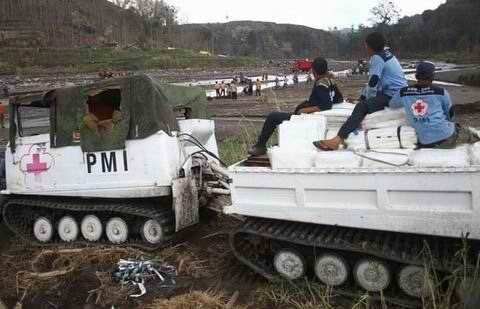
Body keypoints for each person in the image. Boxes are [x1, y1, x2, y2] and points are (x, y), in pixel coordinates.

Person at [314, 32, 408, 150]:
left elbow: (373, 81)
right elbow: (373, 83)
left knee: (361, 108)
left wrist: (366, 102)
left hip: (394, 95)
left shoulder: (377, 58)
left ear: (369, 46)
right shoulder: (387, 54)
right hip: (400, 92)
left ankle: (337, 140)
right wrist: (362, 97)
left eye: (366, 45)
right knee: (364, 98)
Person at [248, 57, 343, 156]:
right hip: (312, 116)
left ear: (313, 70)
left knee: (273, 117)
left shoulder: (321, 84)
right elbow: (338, 98)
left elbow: (326, 105)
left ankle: (260, 146)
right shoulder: (330, 81)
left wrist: (305, 110)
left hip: (307, 118)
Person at [389, 62, 478, 148]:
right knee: (471, 135)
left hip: (422, 140)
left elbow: (392, 105)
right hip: (445, 137)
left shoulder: (403, 92)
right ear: (432, 76)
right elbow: (450, 115)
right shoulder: (441, 92)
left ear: (416, 76)